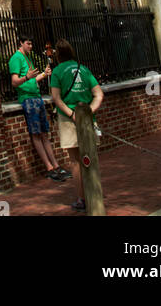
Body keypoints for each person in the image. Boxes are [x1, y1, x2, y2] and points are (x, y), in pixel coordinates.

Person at [49, 38, 104, 212]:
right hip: (87, 118)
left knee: (75, 160)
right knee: (90, 156)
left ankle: (82, 198)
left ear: (58, 55)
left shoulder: (57, 71)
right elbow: (99, 94)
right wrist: (88, 112)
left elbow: (56, 98)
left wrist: (72, 114)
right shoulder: (83, 69)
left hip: (69, 119)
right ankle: (94, 193)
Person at [8, 36, 69, 182]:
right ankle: (49, 167)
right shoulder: (16, 58)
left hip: (37, 97)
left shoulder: (28, 58)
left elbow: (32, 79)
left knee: (44, 133)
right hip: (28, 99)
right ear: (21, 43)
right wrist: (26, 77)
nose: (30, 46)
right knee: (36, 133)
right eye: (28, 43)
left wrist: (43, 74)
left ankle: (56, 165)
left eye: (31, 43)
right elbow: (15, 82)